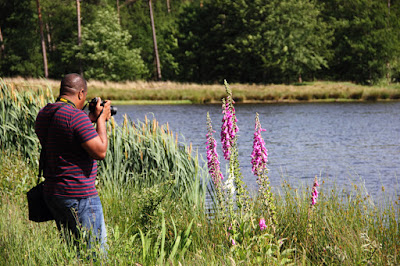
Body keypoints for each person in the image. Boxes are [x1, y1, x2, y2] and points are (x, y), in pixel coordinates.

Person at [35, 73, 111, 256]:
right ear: (80, 93)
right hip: (79, 196)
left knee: (74, 253)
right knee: (95, 255)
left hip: (54, 194)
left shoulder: (45, 113)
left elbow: (66, 137)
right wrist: (100, 121)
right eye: (84, 98)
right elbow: (100, 152)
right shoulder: (76, 117)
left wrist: (89, 119)